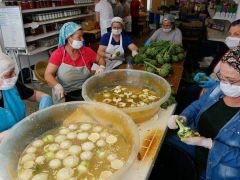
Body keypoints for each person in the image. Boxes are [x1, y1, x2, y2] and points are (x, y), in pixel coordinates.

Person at [167, 46, 240, 179]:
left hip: (217, 170)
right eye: (221, 77)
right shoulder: (218, 89)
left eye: (230, 80)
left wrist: (209, 144)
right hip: (194, 148)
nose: (223, 84)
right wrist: (184, 117)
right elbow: (198, 105)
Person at [176, 20, 240, 113]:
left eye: (237, 34)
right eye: (230, 34)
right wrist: (204, 74)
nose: (231, 38)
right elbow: (213, 67)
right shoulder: (227, 49)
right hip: (208, 83)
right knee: (185, 94)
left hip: (223, 93)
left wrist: (215, 85)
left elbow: (233, 88)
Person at [45, 22, 105, 102]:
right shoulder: (58, 54)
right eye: (79, 37)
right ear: (69, 38)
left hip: (85, 92)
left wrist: (101, 67)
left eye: (82, 36)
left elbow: (100, 59)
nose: (82, 40)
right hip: (65, 94)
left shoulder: (86, 51)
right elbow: (48, 75)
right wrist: (57, 86)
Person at [0, 52, 53, 142]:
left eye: (14, 71)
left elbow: (35, 95)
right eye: (9, 74)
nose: (14, 76)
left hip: (24, 136)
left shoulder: (12, 86)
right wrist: (4, 136)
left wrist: (45, 99)